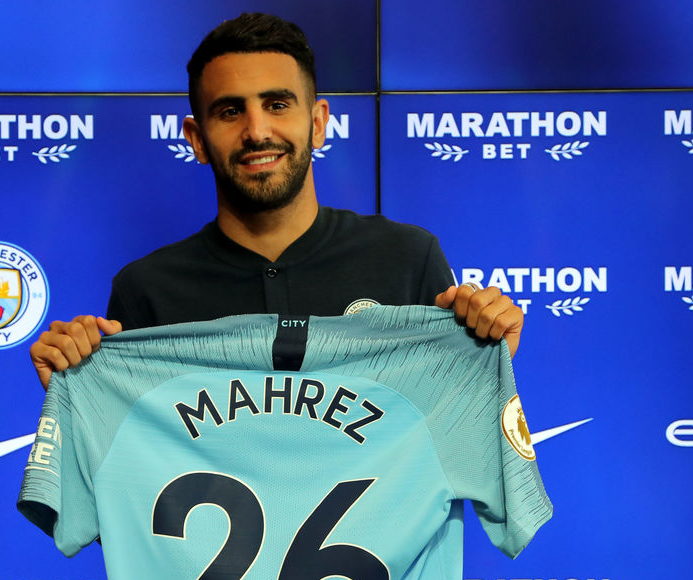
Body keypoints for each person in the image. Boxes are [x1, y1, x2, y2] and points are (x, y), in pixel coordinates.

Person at [29, 12, 524, 389]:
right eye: (230, 111)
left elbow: (452, 436)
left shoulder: (407, 258)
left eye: (278, 104)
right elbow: (129, 471)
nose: (257, 131)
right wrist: (76, 392)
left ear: (318, 122)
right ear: (197, 140)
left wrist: (489, 356)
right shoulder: (148, 289)